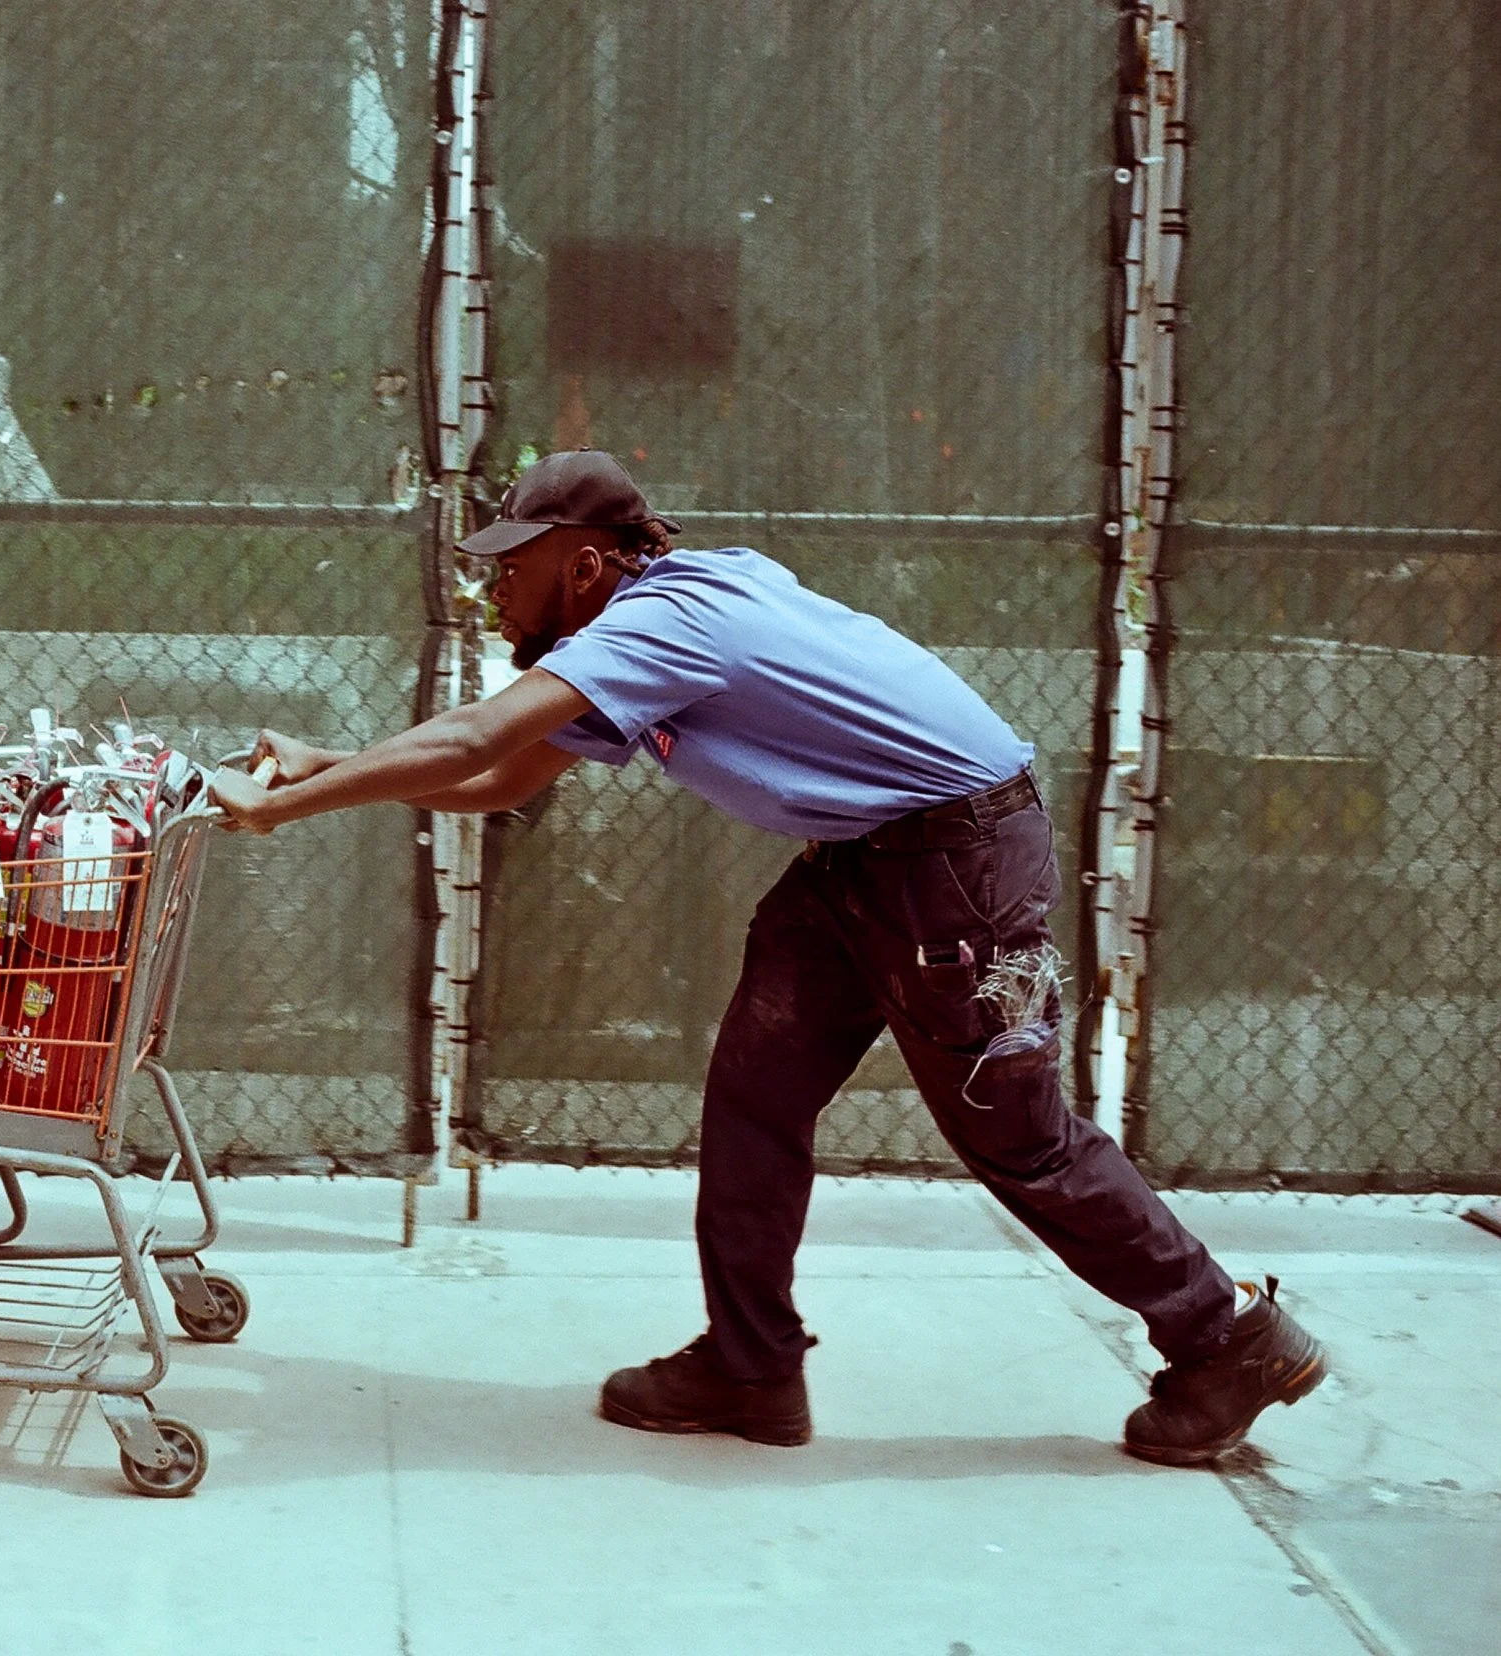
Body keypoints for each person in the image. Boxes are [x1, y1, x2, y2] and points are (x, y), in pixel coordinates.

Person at [205, 448, 1325, 1465]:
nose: (492, 588)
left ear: (587, 566)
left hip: (952, 866)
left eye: (513, 564)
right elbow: (501, 777)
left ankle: (1231, 1338)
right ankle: (751, 1367)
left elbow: (471, 740)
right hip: (863, 860)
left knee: (1017, 1140)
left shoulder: (663, 623)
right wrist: (327, 766)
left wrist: (283, 806)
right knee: (754, 1098)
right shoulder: (657, 615)